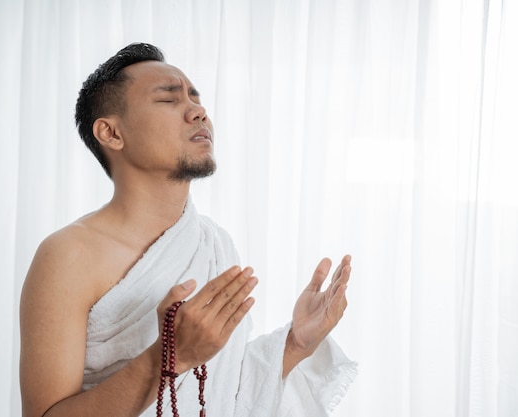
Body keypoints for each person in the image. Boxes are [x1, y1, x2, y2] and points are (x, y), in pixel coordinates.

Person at [19, 43, 356, 417]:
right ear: (112, 133)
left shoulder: (213, 243)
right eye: (169, 99)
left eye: (196, 98)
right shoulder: (68, 255)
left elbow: (223, 391)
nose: (198, 112)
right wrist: (169, 356)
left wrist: (295, 343)